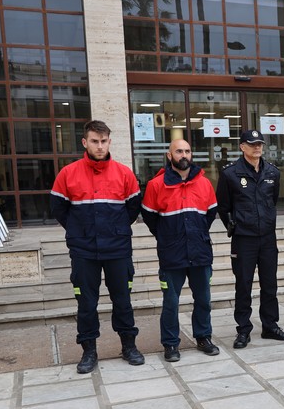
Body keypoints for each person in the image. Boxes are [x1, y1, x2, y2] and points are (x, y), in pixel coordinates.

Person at [50, 119, 144, 374]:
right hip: (84, 250)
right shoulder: (68, 173)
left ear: (109, 142)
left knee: (122, 300)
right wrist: (77, 230)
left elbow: (133, 207)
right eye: (94, 141)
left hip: (117, 249)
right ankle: (89, 351)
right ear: (85, 142)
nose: (100, 146)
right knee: (86, 303)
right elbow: (58, 208)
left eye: (103, 141)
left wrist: (117, 229)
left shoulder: (124, 173)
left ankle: (129, 346)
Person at [141, 139, 219, 361]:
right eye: (178, 151)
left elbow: (210, 214)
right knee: (171, 302)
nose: (183, 155)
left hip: (200, 252)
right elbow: (150, 217)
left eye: (187, 151)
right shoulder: (156, 185)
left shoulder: (204, 184)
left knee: (203, 299)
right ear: (169, 155)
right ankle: (170, 344)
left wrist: (197, 234)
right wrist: (167, 237)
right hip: (171, 254)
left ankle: (203, 337)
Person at [216, 129, 284, 348]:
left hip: (267, 237)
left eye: (260, 143)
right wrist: (236, 226)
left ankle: (270, 325)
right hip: (244, 239)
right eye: (252, 144)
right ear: (242, 147)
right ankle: (243, 330)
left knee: (270, 284)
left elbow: (273, 199)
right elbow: (223, 206)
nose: (257, 147)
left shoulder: (272, 172)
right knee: (244, 285)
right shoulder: (230, 174)